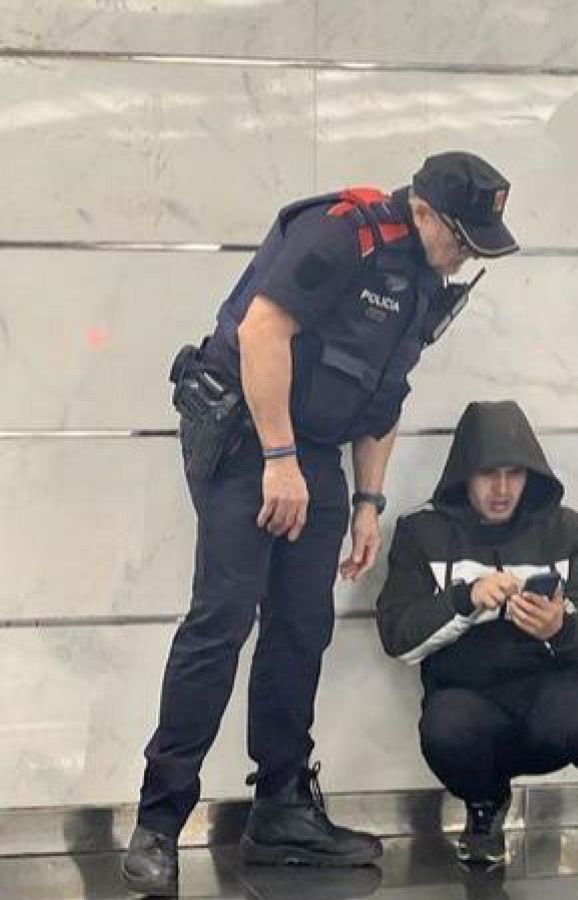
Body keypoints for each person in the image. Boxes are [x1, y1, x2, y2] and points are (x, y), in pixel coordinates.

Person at [122, 153, 520, 897]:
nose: (465, 253)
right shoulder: (344, 232)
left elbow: (384, 394)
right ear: (425, 211)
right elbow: (263, 333)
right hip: (248, 436)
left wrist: (367, 502)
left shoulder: (426, 281)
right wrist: (277, 458)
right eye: (461, 236)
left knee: (303, 625)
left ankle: (279, 809)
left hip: (313, 453)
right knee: (221, 620)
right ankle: (158, 822)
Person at [375, 400, 578, 868]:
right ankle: (484, 808)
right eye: (489, 474)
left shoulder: (565, 529)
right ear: (464, 475)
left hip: (550, 694)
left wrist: (559, 626)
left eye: (515, 473)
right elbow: (397, 636)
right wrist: (465, 600)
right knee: (445, 728)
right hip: (466, 696)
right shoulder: (420, 533)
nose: (503, 488)